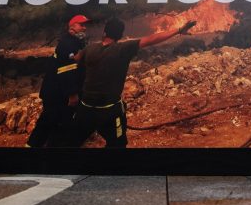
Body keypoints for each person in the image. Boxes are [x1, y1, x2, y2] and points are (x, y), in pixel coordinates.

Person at [67, 17, 196, 148]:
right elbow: (152, 39)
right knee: (117, 143)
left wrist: (69, 45)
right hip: (110, 111)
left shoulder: (89, 49)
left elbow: (73, 59)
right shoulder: (123, 49)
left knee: (73, 141)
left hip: (85, 108)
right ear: (120, 35)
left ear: (104, 33)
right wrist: (178, 30)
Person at [26, 14, 91, 148]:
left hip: (62, 92)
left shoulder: (76, 42)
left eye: (85, 25)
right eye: (81, 25)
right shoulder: (67, 44)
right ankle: (32, 146)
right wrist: (73, 94)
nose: (84, 28)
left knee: (61, 122)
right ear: (72, 27)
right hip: (56, 93)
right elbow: (66, 70)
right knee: (48, 121)